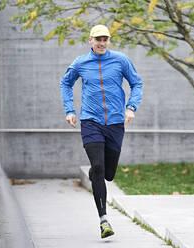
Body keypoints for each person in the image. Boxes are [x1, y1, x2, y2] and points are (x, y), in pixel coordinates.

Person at [60, 24, 143, 239]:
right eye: (98, 39)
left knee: (108, 174)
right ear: (90, 41)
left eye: (105, 39)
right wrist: (70, 110)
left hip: (115, 123)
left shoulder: (120, 60)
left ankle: (96, 172)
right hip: (90, 121)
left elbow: (137, 83)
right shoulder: (81, 63)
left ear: (109, 40)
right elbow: (65, 83)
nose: (102, 43)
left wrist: (131, 107)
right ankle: (104, 220)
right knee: (98, 167)